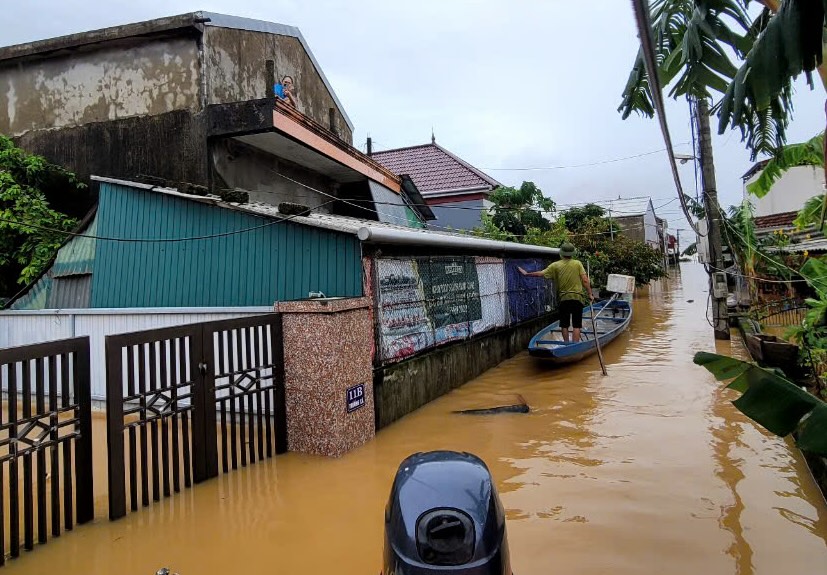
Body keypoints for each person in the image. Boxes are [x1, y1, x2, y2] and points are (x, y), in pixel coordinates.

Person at [518, 242, 594, 343]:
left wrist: (527, 274)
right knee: (576, 325)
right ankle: (575, 345)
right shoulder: (577, 263)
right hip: (577, 298)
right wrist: (590, 294)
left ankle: (566, 344)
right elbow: (585, 280)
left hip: (563, 299)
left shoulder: (555, 265)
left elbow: (541, 273)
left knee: (564, 325)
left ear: (561, 254)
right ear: (572, 254)